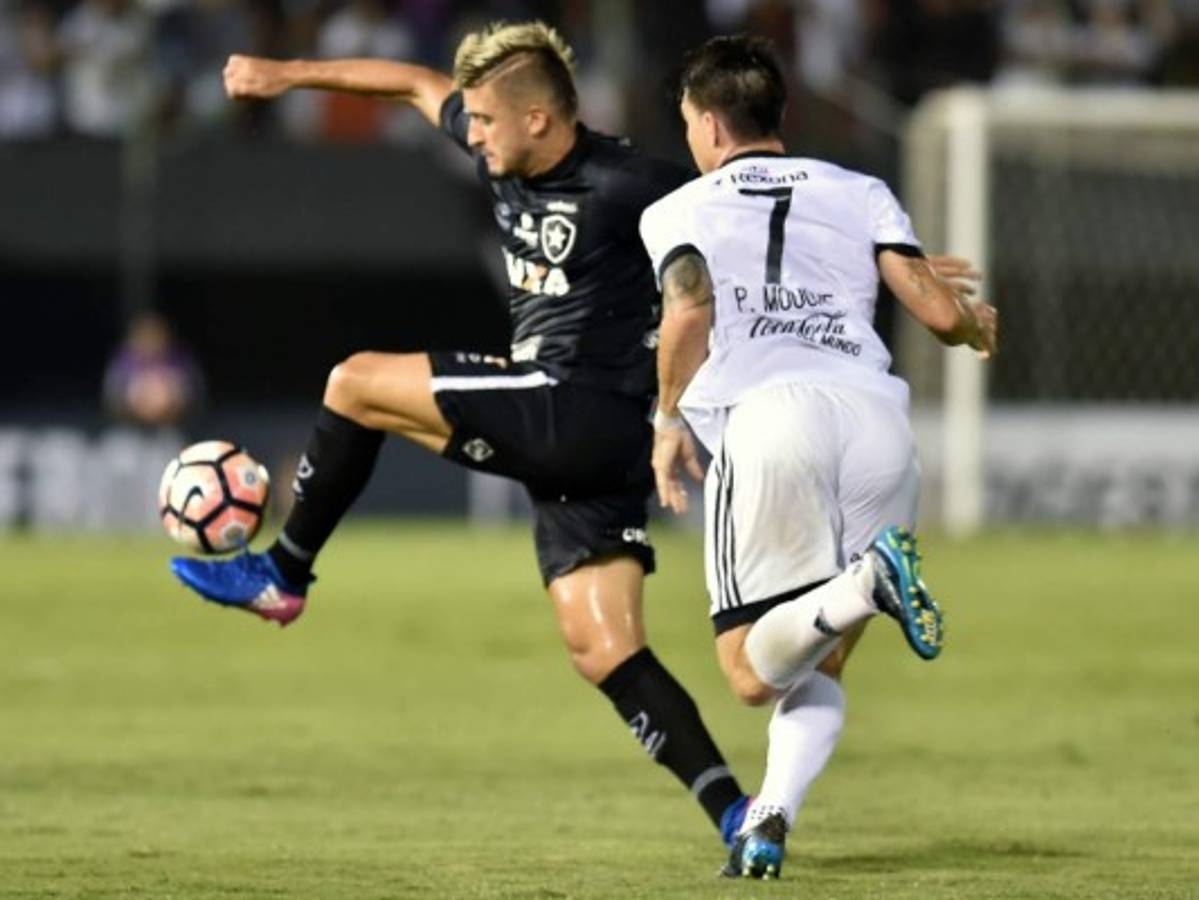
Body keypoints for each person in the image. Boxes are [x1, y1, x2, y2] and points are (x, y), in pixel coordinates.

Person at [169, 20, 753, 848]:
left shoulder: (629, 183)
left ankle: (282, 572)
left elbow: (732, 219)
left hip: (569, 401)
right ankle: (735, 812)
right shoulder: (502, 144)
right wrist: (284, 74)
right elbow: (410, 83)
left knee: (354, 382)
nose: (470, 135)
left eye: (482, 122)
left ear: (539, 122)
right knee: (604, 648)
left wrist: (884, 257)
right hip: (593, 446)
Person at [639, 35, 998, 879]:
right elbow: (926, 304)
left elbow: (688, 308)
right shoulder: (859, 188)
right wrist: (970, 325)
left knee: (747, 673)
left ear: (709, 128)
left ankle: (867, 582)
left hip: (770, 422)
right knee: (819, 653)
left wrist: (665, 418)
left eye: (689, 122)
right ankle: (768, 816)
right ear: (778, 117)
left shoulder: (679, 207)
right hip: (875, 421)